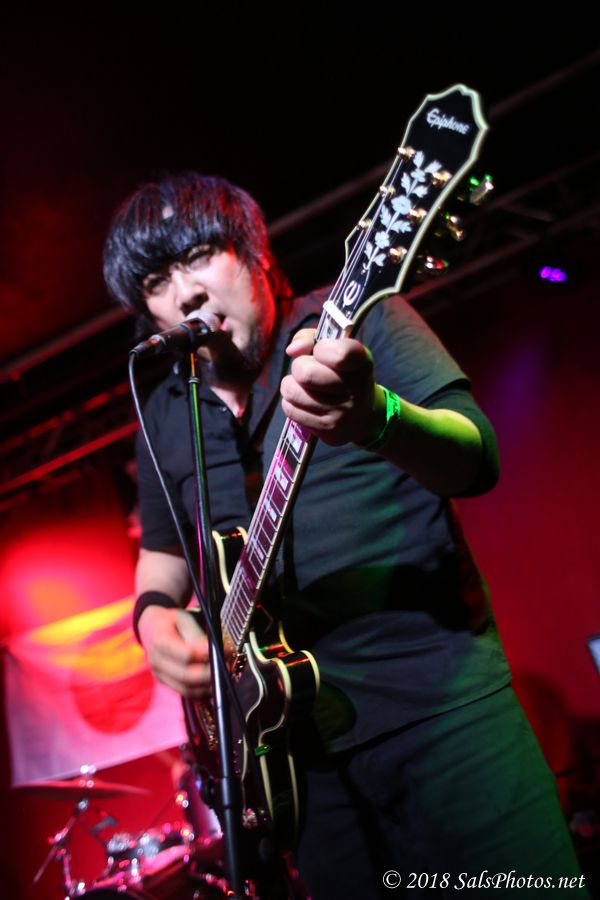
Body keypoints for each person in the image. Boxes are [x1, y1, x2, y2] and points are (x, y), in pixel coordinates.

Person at [103, 173, 587, 898]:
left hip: (441, 718)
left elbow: (476, 457)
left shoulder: (359, 320)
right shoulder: (165, 409)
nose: (185, 293)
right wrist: (150, 621)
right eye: (156, 281)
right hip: (298, 767)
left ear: (255, 254)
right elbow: (164, 553)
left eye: (200, 255)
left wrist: (374, 417)